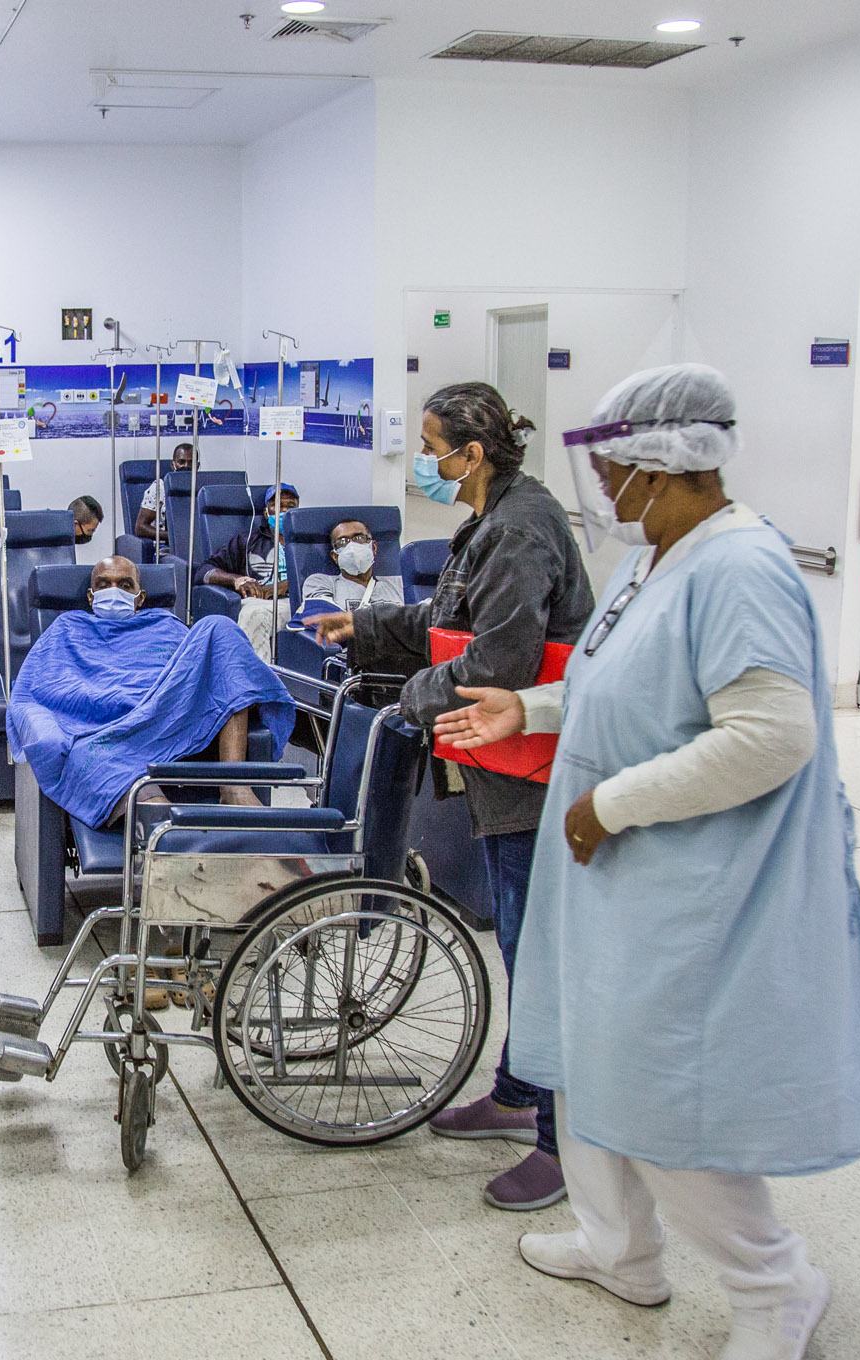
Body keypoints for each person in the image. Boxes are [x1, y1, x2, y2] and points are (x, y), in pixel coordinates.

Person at [435, 364, 860, 1360]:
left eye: (612, 461)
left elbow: (770, 734)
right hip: (623, 880)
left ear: (661, 463)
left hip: (693, 884)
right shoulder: (658, 554)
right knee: (595, 1067)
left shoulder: (739, 567)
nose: (600, 481)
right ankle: (623, 1251)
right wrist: (532, 708)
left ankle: (775, 1284)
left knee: (661, 1092)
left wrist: (611, 804)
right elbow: (628, 685)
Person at [313, 381, 592, 1212]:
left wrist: (414, 698)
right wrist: (362, 629)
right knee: (518, 937)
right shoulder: (489, 519)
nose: (424, 462)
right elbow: (447, 617)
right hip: (497, 758)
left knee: (535, 951)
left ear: (473, 452)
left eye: (432, 448)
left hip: (533, 769)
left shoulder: (521, 528)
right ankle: (516, 1093)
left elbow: (496, 665)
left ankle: (559, 1143)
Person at [7, 555, 294, 828]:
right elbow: (35, 687)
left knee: (218, 627)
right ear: (91, 597)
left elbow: (200, 671)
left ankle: (233, 786)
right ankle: (166, 828)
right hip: (108, 731)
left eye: (124, 585)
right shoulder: (67, 628)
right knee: (94, 757)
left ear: (140, 597)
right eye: (104, 585)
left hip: (166, 714)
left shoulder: (164, 624)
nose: (114, 590)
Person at [201, 483, 298, 661]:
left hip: (300, 604)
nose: (284, 511)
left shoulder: (306, 542)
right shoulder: (248, 541)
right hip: (262, 604)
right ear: (266, 512)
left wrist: (283, 586)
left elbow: (319, 578)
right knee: (253, 614)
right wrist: (237, 580)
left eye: (290, 506)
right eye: (277, 506)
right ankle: (256, 682)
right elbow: (204, 571)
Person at [296, 520, 405, 612]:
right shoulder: (320, 583)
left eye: (359, 538)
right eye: (343, 541)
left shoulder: (400, 585)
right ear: (335, 556)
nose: (352, 546)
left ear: (373, 547)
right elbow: (326, 619)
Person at [131, 442, 194, 542]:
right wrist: (173, 536)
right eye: (181, 462)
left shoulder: (202, 489)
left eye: (191, 462)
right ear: (173, 465)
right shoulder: (160, 487)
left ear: (198, 465)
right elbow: (140, 528)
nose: (186, 466)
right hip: (165, 546)